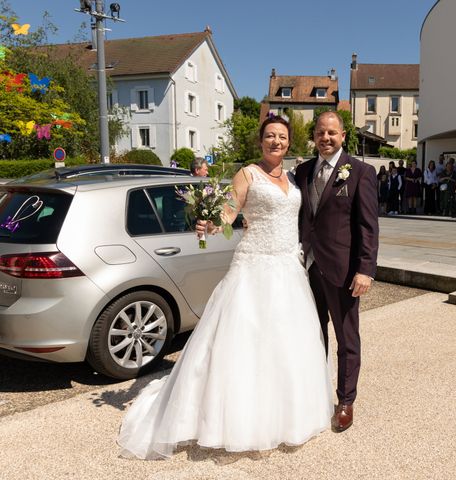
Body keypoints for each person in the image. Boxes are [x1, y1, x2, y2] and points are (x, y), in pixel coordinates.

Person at [117, 115, 333, 459]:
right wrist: (210, 223)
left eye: (282, 137)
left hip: (288, 269)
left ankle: (286, 414)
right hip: (253, 266)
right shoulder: (247, 174)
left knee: (286, 342)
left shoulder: (294, 178)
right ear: (260, 141)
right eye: (270, 136)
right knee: (243, 342)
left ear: (289, 142)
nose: (276, 141)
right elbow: (229, 213)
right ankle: (232, 420)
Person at [294, 111, 379, 433]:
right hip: (304, 269)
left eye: (332, 133)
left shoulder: (360, 172)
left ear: (343, 136)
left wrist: (365, 269)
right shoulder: (302, 172)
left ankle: (346, 400)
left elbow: (368, 226)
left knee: (346, 338)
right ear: (314, 136)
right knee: (312, 336)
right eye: (320, 132)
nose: (325, 138)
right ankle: (313, 394)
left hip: (343, 271)